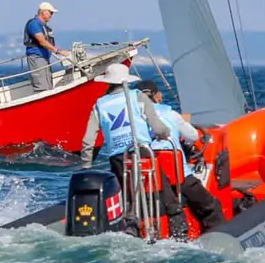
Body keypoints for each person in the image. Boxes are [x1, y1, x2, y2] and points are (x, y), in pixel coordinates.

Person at [80, 63, 173, 230]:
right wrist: (165, 133)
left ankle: (127, 221)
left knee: (124, 192)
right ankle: (172, 220)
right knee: (161, 185)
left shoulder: (100, 104)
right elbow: (158, 128)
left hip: (117, 157)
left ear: (108, 82)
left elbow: (88, 140)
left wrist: (86, 166)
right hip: (143, 152)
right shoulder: (138, 96)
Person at [141, 81, 225, 237]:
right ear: (156, 96)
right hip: (179, 176)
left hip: (151, 179)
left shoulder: (137, 119)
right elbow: (193, 135)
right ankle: (215, 237)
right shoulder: (171, 114)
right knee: (211, 205)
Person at [23, 1, 62, 92]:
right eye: (50, 12)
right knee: (42, 86)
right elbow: (42, 41)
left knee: (48, 85)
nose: (51, 15)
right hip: (37, 58)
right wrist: (58, 51)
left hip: (44, 58)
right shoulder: (34, 24)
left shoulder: (44, 26)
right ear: (43, 12)